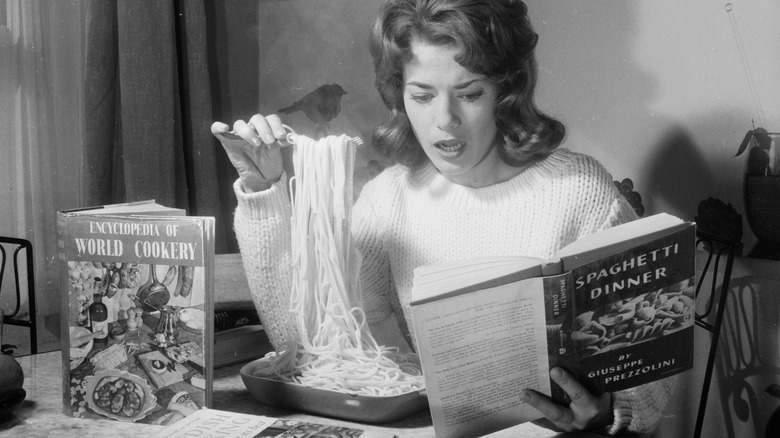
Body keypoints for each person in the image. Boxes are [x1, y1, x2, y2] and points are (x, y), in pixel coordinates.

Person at [211, 0, 676, 435]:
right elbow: (311, 351)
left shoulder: (580, 192)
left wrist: (606, 413)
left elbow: (650, 391)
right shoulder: (386, 201)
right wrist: (263, 190)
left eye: (469, 94)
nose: (445, 120)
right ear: (399, 96)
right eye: (422, 95)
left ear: (505, 91)